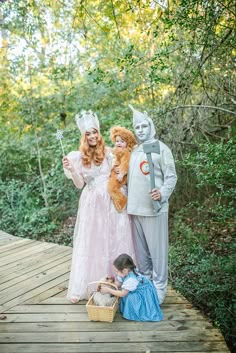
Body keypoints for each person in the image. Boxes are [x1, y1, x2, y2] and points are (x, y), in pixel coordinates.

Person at [62, 110, 135, 302]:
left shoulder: (110, 152)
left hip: (110, 198)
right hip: (92, 201)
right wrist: (72, 170)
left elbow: (123, 167)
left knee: (114, 237)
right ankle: (88, 283)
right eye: (88, 133)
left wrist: (121, 173)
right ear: (84, 137)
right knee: (93, 239)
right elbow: (79, 184)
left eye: (95, 132)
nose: (93, 136)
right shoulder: (78, 157)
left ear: (99, 133)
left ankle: (119, 282)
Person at [127, 105, 177, 304]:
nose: (140, 130)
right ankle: (146, 285)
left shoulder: (161, 148)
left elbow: (171, 177)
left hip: (154, 209)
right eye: (137, 127)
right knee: (142, 254)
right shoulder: (135, 151)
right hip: (135, 209)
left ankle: (159, 288)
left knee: (157, 253)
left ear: (151, 126)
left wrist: (162, 193)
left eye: (144, 126)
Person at [100, 253, 163, 321]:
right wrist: (111, 284)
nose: (116, 273)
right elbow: (120, 283)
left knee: (130, 297)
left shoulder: (131, 280)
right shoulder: (127, 272)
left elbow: (122, 294)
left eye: (117, 271)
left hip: (143, 293)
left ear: (124, 270)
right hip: (138, 288)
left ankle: (137, 311)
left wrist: (109, 290)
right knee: (127, 294)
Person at [108, 126, 137, 212]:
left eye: (122, 141)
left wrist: (121, 173)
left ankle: (122, 201)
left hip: (121, 176)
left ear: (127, 143)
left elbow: (125, 163)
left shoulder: (125, 152)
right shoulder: (116, 151)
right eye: (117, 141)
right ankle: (119, 202)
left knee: (112, 188)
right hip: (115, 174)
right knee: (111, 188)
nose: (119, 143)